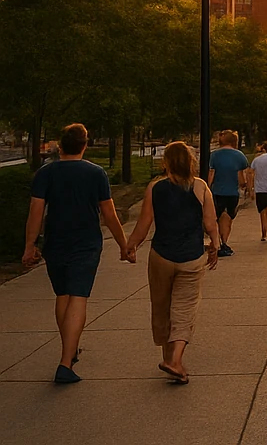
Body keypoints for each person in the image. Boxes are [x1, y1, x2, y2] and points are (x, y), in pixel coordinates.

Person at [22, 123, 131, 384]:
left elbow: (36, 211)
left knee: (63, 294)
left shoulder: (45, 173)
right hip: (86, 242)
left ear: (61, 145)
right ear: (85, 144)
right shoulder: (96, 173)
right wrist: (123, 244)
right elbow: (108, 213)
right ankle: (65, 362)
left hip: (56, 242)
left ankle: (69, 351)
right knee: (79, 296)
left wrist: (30, 245)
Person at [124, 141, 219, 384]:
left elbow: (144, 224)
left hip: (161, 256)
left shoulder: (154, 188)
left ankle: (168, 357)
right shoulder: (200, 187)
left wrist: (130, 245)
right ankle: (175, 360)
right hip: (191, 257)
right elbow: (210, 222)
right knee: (185, 309)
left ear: (165, 163)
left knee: (162, 305)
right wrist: (215, 244)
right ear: (191, 163)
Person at [207, 131, 251, 257]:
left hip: (217, 191)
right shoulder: (240, 156)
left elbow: (211, 173)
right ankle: (224, 242)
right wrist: (245, 186)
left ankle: (218, 242)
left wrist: (207, 187)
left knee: (218, 217)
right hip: (232, 192)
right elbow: (241, 176)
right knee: (228, 218)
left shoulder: (214, 155)